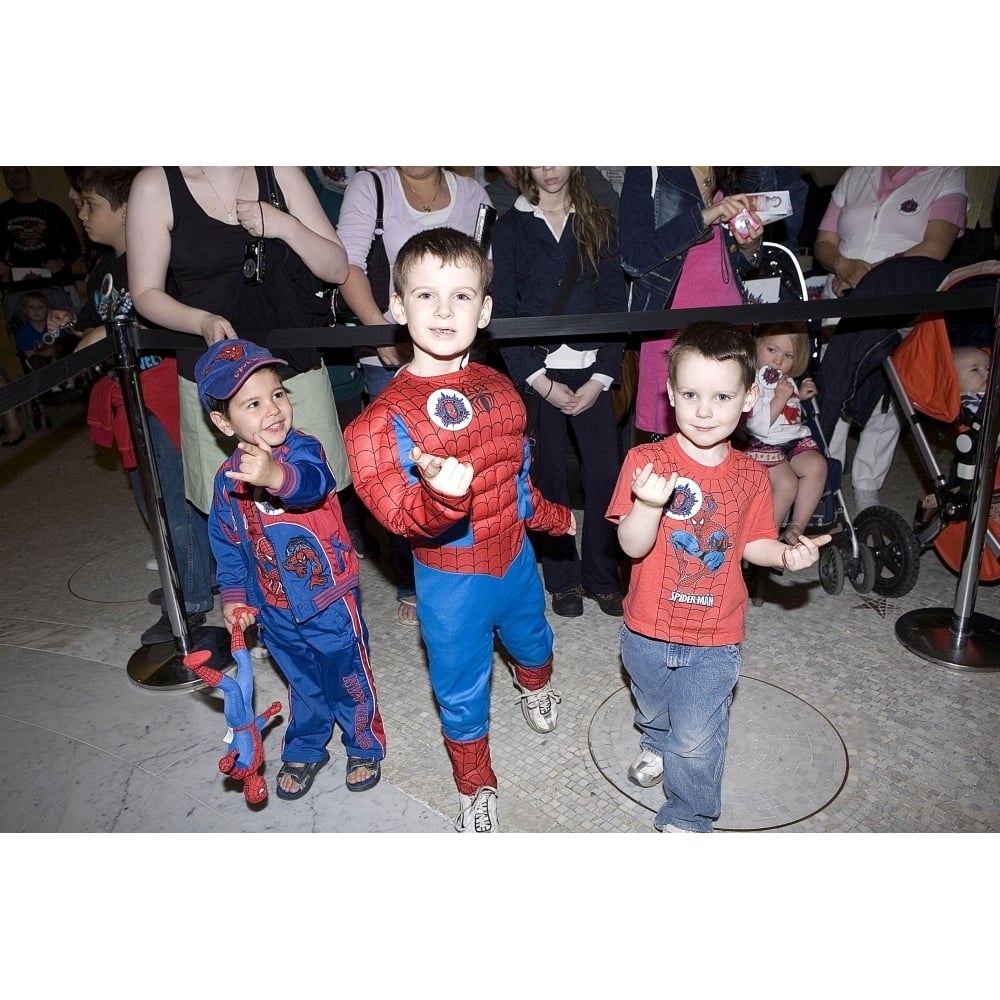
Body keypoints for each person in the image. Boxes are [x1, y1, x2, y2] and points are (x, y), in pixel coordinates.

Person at [344, 228, 576, 833]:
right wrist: (442, 501)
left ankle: (536, 687)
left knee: (534, 640)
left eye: (461, 296)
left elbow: (516, 478)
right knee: (459, 685)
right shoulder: (379, 423)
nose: (444, 311)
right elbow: (397, 515)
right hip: (450, 581)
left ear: (486, 309)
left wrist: (553, 517)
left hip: (517, 559)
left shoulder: (502, 388)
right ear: (397, 306)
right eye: (425, 295)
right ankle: (475, 783)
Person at [605, 321, 828, 832]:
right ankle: (654, 739)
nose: (705, 410)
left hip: (715, 634)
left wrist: (786, 556)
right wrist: (648, 504)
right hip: (645, 624)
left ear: (749, 398)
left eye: (722, 396)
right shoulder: (645, 461)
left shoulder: (753, 475)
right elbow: (632, 546)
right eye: (691, 394)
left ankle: (689, 816)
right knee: (653, 705)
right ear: (670, 393)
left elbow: (753, 543)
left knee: (697, 735)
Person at [126, 167, 352, 647]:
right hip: (214, 374)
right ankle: (252, 609)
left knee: (310, 489)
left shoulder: (278, 168)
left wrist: (284, 225)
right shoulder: (156, 184)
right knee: (233, 508)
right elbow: (145, 292)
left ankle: (326, 603)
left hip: (289, 369)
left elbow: (337, 267)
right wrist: (201, 320)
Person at [196, 338, 385, 800]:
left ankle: (363, 742)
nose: (273, 410)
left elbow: (311, 485)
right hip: (273, 608)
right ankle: (305, 744)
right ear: (223, 422)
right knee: (301, 680)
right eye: (253, 403)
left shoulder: (305, 450)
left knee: (346, 672)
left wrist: (274, 477)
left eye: (278, 394)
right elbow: (227, 543)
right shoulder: (226, 481)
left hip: (328, 597)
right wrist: (236, 596)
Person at [335, 166, 493, 626]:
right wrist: (379, 328)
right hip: (391, 351)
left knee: (471, 458)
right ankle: (412, 578)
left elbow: (482, 269)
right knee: (405, 471)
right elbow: (348, 263)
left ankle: (476, 562)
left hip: (460, 357)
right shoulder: (372, 186)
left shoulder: (473, 191)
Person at [70, 166, 217, 644]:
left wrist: (113, 334)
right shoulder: (100, 271)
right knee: (146, 493)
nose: (83, 215)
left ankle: (192, 596)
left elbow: (168, 318)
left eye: (92, 204)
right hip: (125, 396)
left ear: (127, 208)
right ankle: (191, 575)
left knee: (175, 494)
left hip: (163, 388)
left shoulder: (157, 259)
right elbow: (92, 322)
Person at [491, 166, 626, 618]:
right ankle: (562, 578)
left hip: (592, 371)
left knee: (606, 474)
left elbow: (613, 304)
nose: (549, 167)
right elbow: (505, 310)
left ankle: (603, 576)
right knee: (548, 477)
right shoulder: (509, 225)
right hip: (539, 371)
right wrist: (538, 380)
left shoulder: (599, 221)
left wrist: (603, 375)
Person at [814, 166, 968, 511]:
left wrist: (867, 275)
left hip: (904, 296)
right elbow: (824, 242)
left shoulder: (947, 174)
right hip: (842, 292)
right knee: (832, 386)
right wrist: (842, 264)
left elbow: (936, 247)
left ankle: (868, 484)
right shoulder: (858, 172)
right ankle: (825, 479)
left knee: (890, 397)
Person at [618, 166, 771, 439]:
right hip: (671, 325)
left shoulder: (729, 169)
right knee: (668, 446)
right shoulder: (649, 166)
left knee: (725, 440)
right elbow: (634, 257)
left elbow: (732, 263)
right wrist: (705, 216)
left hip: (730, 324)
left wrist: (749, 248)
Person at [744, 322, 827, 544]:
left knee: (817, 465)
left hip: (794, 440)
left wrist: (799, 395)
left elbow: (788, 414)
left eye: (788, 355)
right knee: (787, 484)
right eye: (772, 350)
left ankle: (796, 526)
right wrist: (780, 399)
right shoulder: (751, 383)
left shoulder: (785, 379)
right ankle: (763, 539)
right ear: (756, 347)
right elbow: (756, 426)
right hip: (761, 446)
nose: (778, 360)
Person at [1, 166, 83, 325]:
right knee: (27, 340)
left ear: (28, 174)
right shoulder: (2, 213)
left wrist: (61, 262)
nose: (12, 177)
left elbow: (74, 246)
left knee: (64, 333)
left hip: (55, 286)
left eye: (17, 171)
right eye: (7, 173)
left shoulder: (52, 211)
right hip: (20, 289)